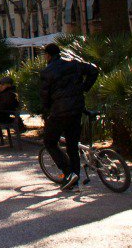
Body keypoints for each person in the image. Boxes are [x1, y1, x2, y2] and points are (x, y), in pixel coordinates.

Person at [41, 43, 100, 190]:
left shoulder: (47, 72)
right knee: (72, 145)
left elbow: (44, 96)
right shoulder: (74, 64)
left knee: (49, 142)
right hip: (76, 109)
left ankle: (68, 173)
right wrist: (84, 88)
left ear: (48, 55)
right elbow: (93, 70)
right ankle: (76, 179)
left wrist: (47, 110)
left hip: (59, 112)